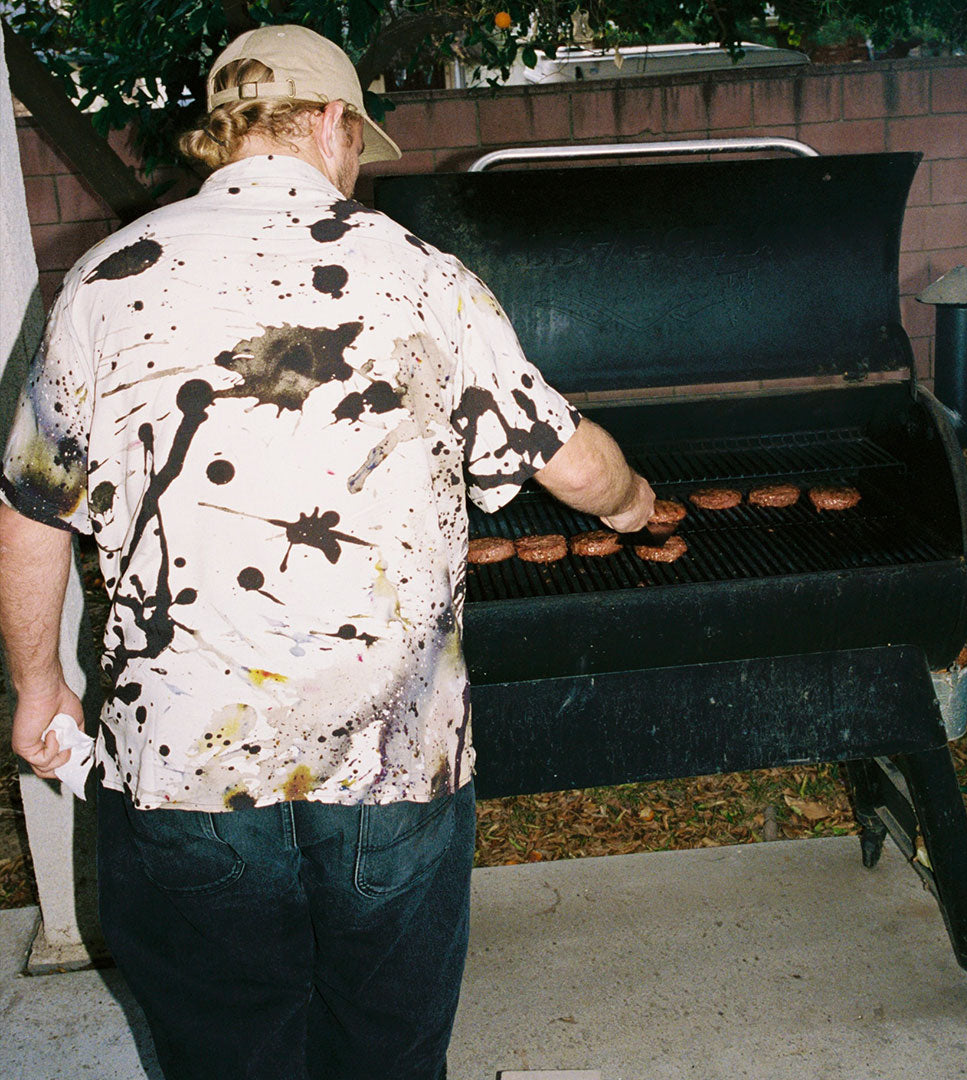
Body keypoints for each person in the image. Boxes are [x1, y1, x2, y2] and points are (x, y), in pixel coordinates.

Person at [0, 23, 654, 1080]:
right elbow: (578, 470)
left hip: (184, 763)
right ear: (330, 124)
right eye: (358, 144)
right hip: (392, 763)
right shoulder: (423, 277)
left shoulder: (104, 284)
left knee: (227, 1050)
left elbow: (32, 507)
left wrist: (39, 687)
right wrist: (632, 503)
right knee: (387, 1052)